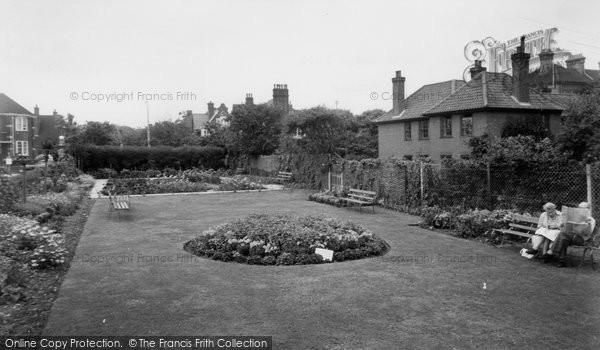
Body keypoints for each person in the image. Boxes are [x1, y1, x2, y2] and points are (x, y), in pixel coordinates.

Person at [550, 202, 596, 268]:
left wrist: (587, 226)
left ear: (588, 209)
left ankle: (550, 252)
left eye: (583, 208)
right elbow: (563, 228)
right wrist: (562, 224)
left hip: (582, 239)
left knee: (563, 234)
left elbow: (588, 233)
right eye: (579, 208)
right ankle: (561, 261)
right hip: (569, 237)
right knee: (564, 239)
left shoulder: (591, 220)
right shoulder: (573, 217)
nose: (580, 209)